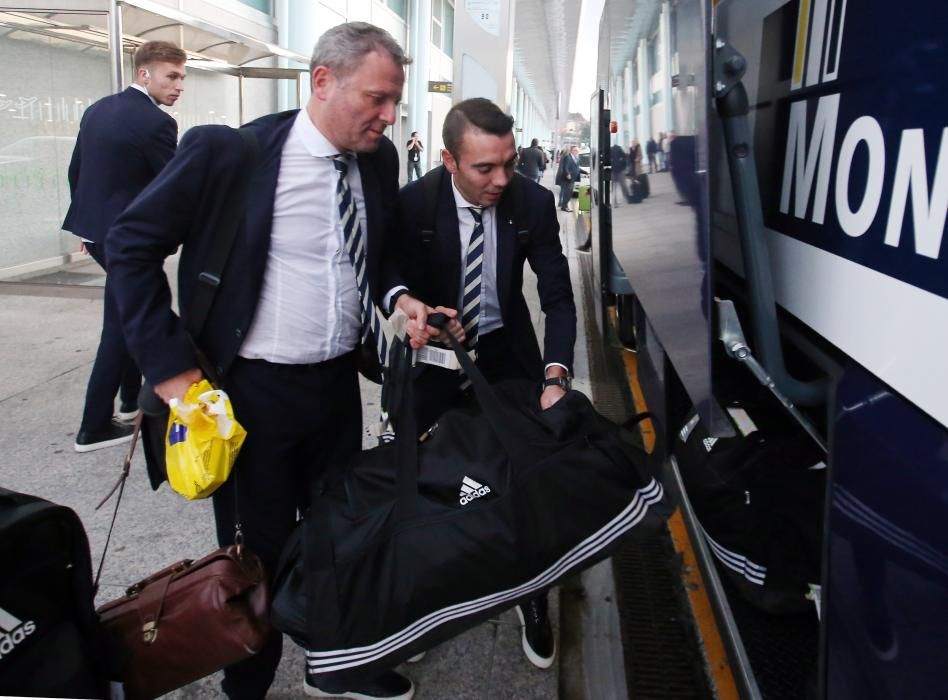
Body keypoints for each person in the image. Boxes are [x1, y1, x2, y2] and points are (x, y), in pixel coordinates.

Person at [106, 22, 440, 700]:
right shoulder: (234, 154)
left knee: (341, 536)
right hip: (251, 393)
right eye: (376, 99)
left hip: (335, 389)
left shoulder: (375, 161)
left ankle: (336, 664)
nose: (389, 116)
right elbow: (129, 246)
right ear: (323, 81)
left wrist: (401, 299)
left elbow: (379, 255)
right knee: (254, 557)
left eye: (394, 102)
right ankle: (246, 684)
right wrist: (171, 370)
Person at [392, 97, 577, 672]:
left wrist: (555, 374)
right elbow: (387, 272)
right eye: (484, 169)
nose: (501, 180)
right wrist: (411, 308)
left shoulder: (533, 201)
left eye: (509, 163)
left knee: (520, 480)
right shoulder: (414, 204)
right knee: (420, 479)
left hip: (504, 355)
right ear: (449, 160)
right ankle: (423, 602)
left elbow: (557, 296)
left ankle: (529, 595)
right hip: (432, 358)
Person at [63, 40, 186, 453]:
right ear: (143, 74)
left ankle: (132, 398)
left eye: (182, 77)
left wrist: (86, 225)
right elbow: (172, 187)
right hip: (128, 242)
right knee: (121, 326)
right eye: (172, 76)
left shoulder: (98, 109)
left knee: (128, 311)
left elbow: (76, 170)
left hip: (98, 231)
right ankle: (93, 427)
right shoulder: (155, 123)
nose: (180, 85)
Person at [555, 145, 580, 211]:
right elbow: (565, 167)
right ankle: (564, 206)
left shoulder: (575, 158)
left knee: (570, 193)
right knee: (567, 193)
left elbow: (577, 168)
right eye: (575, 150)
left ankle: (564, 205)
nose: (577, 152)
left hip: (573, 178)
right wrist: (568, 174)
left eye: (577, 151)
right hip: (568, 178)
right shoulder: (568, 157)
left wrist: (585, 172)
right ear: (572, 151)